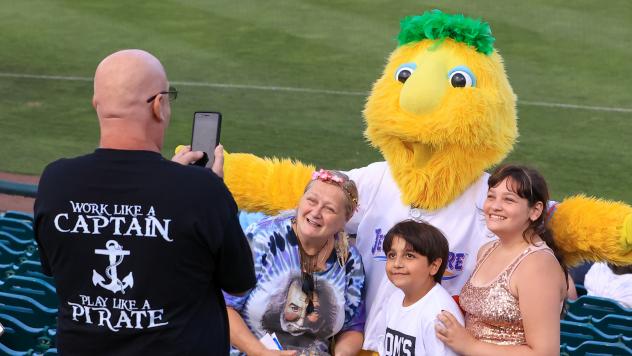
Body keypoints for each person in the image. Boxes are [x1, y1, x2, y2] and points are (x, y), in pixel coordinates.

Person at [34, 49, 256, 355]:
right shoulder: (201, 192)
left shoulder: (55, 182)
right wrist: (201, 189)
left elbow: (56, 267)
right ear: (158, 105)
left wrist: (176, 184)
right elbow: (239, 283)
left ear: (96, 104)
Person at [225, 169, 365, 356]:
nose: (316, 212)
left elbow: (353, 327)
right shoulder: (261, 239)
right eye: (311, 201)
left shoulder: (348, 260)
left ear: (345, 219)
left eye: (329, 209)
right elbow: (224, 306)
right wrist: (259, 351)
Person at [435, 164, 567, 354]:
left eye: (509, 200)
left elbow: (544, 352)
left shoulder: (538, 265)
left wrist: (469, 345)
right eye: (491, 196)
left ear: (535, 211)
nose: (495, 206)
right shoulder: (486, 250)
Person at [378, 220, 463, 356]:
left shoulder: (439, 315)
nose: (397, 264)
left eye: (409, 256)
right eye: (392, 255)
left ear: (434, 266)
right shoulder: (394, 299)